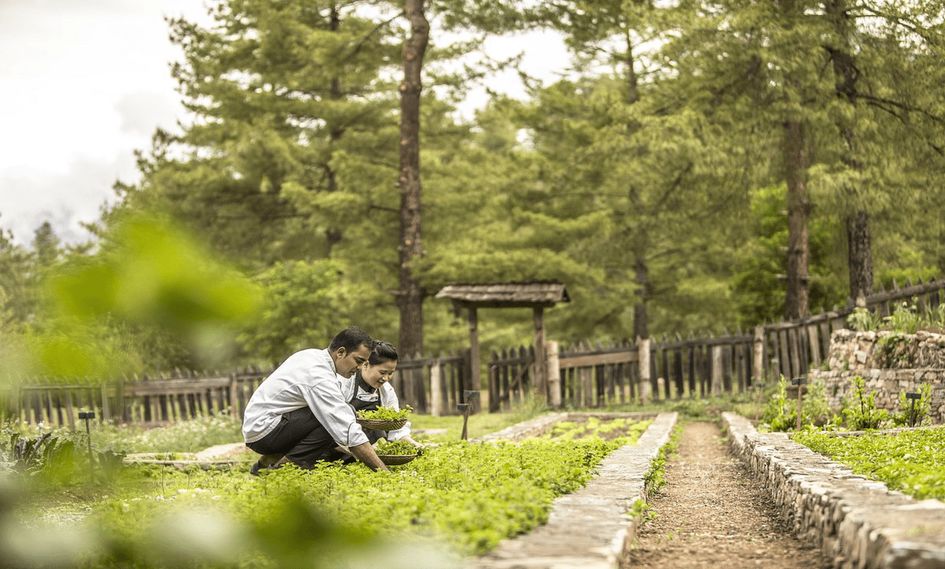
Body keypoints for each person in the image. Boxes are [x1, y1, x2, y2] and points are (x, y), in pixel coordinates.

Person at [242, 326, 388, 472]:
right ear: (341, 352)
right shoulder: (319, 376)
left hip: (261, 425)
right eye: (358, 360)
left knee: (343, 411)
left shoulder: (312, 355)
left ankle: (264, 465)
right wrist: (384, 472)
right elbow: (347, 430)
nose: (360, 367)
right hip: (264, 430)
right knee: (333, 418)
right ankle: (284, 470)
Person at [343, 340, 422, 449]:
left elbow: (396, 429)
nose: (386, 378)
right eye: (382, 372)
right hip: (343, 444)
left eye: (390, 373)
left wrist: (414, 445)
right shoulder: (346, 383)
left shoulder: (387, 390)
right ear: (365, 365)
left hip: (374, 447)